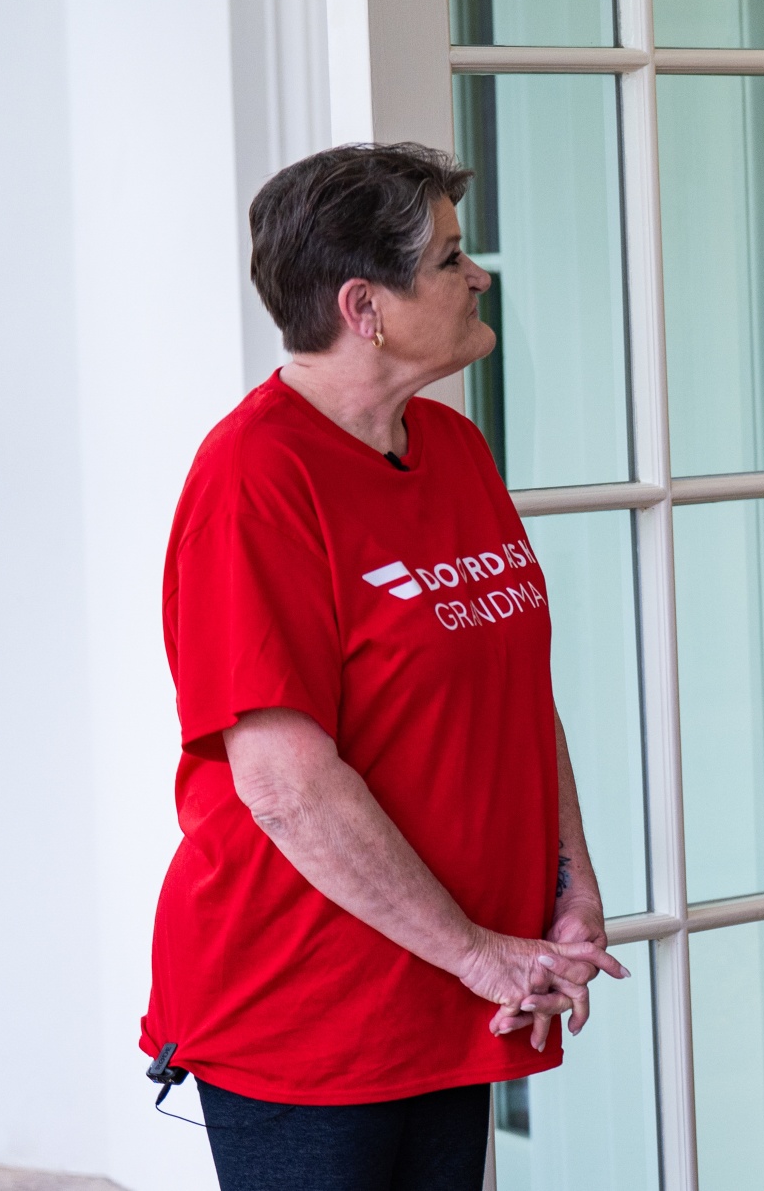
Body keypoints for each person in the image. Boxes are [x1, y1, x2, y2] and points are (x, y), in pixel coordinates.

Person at [142, 143, 627, 1191]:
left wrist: (564, 884)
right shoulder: (253, 481)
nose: (478, 275)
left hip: (455, 984)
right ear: (364, 307)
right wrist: (475, 950)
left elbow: (514, 692)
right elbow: (283, 785)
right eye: (451, 259)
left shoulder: (450, 446)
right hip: (310, 1009)